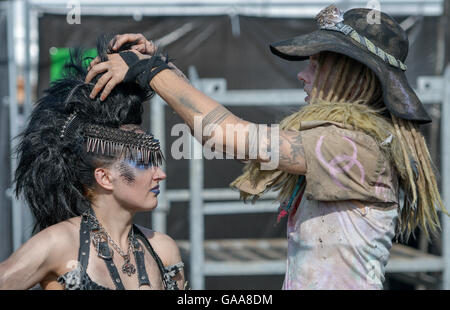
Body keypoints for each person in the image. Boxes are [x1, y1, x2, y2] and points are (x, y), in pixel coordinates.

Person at [85, 5, 447, 289]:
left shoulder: (354, 147)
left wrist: (150, 70)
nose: (303, 74)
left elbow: (224, 134)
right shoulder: (352, 140)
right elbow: (224, 128)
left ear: (350, 76)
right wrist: (160, 64)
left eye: (317, 64)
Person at [0, 36, 185, 290]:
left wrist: (158, 66)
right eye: (144, 163)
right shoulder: (59, 244)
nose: (160, 174)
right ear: (104, 177)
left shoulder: (164, 250)